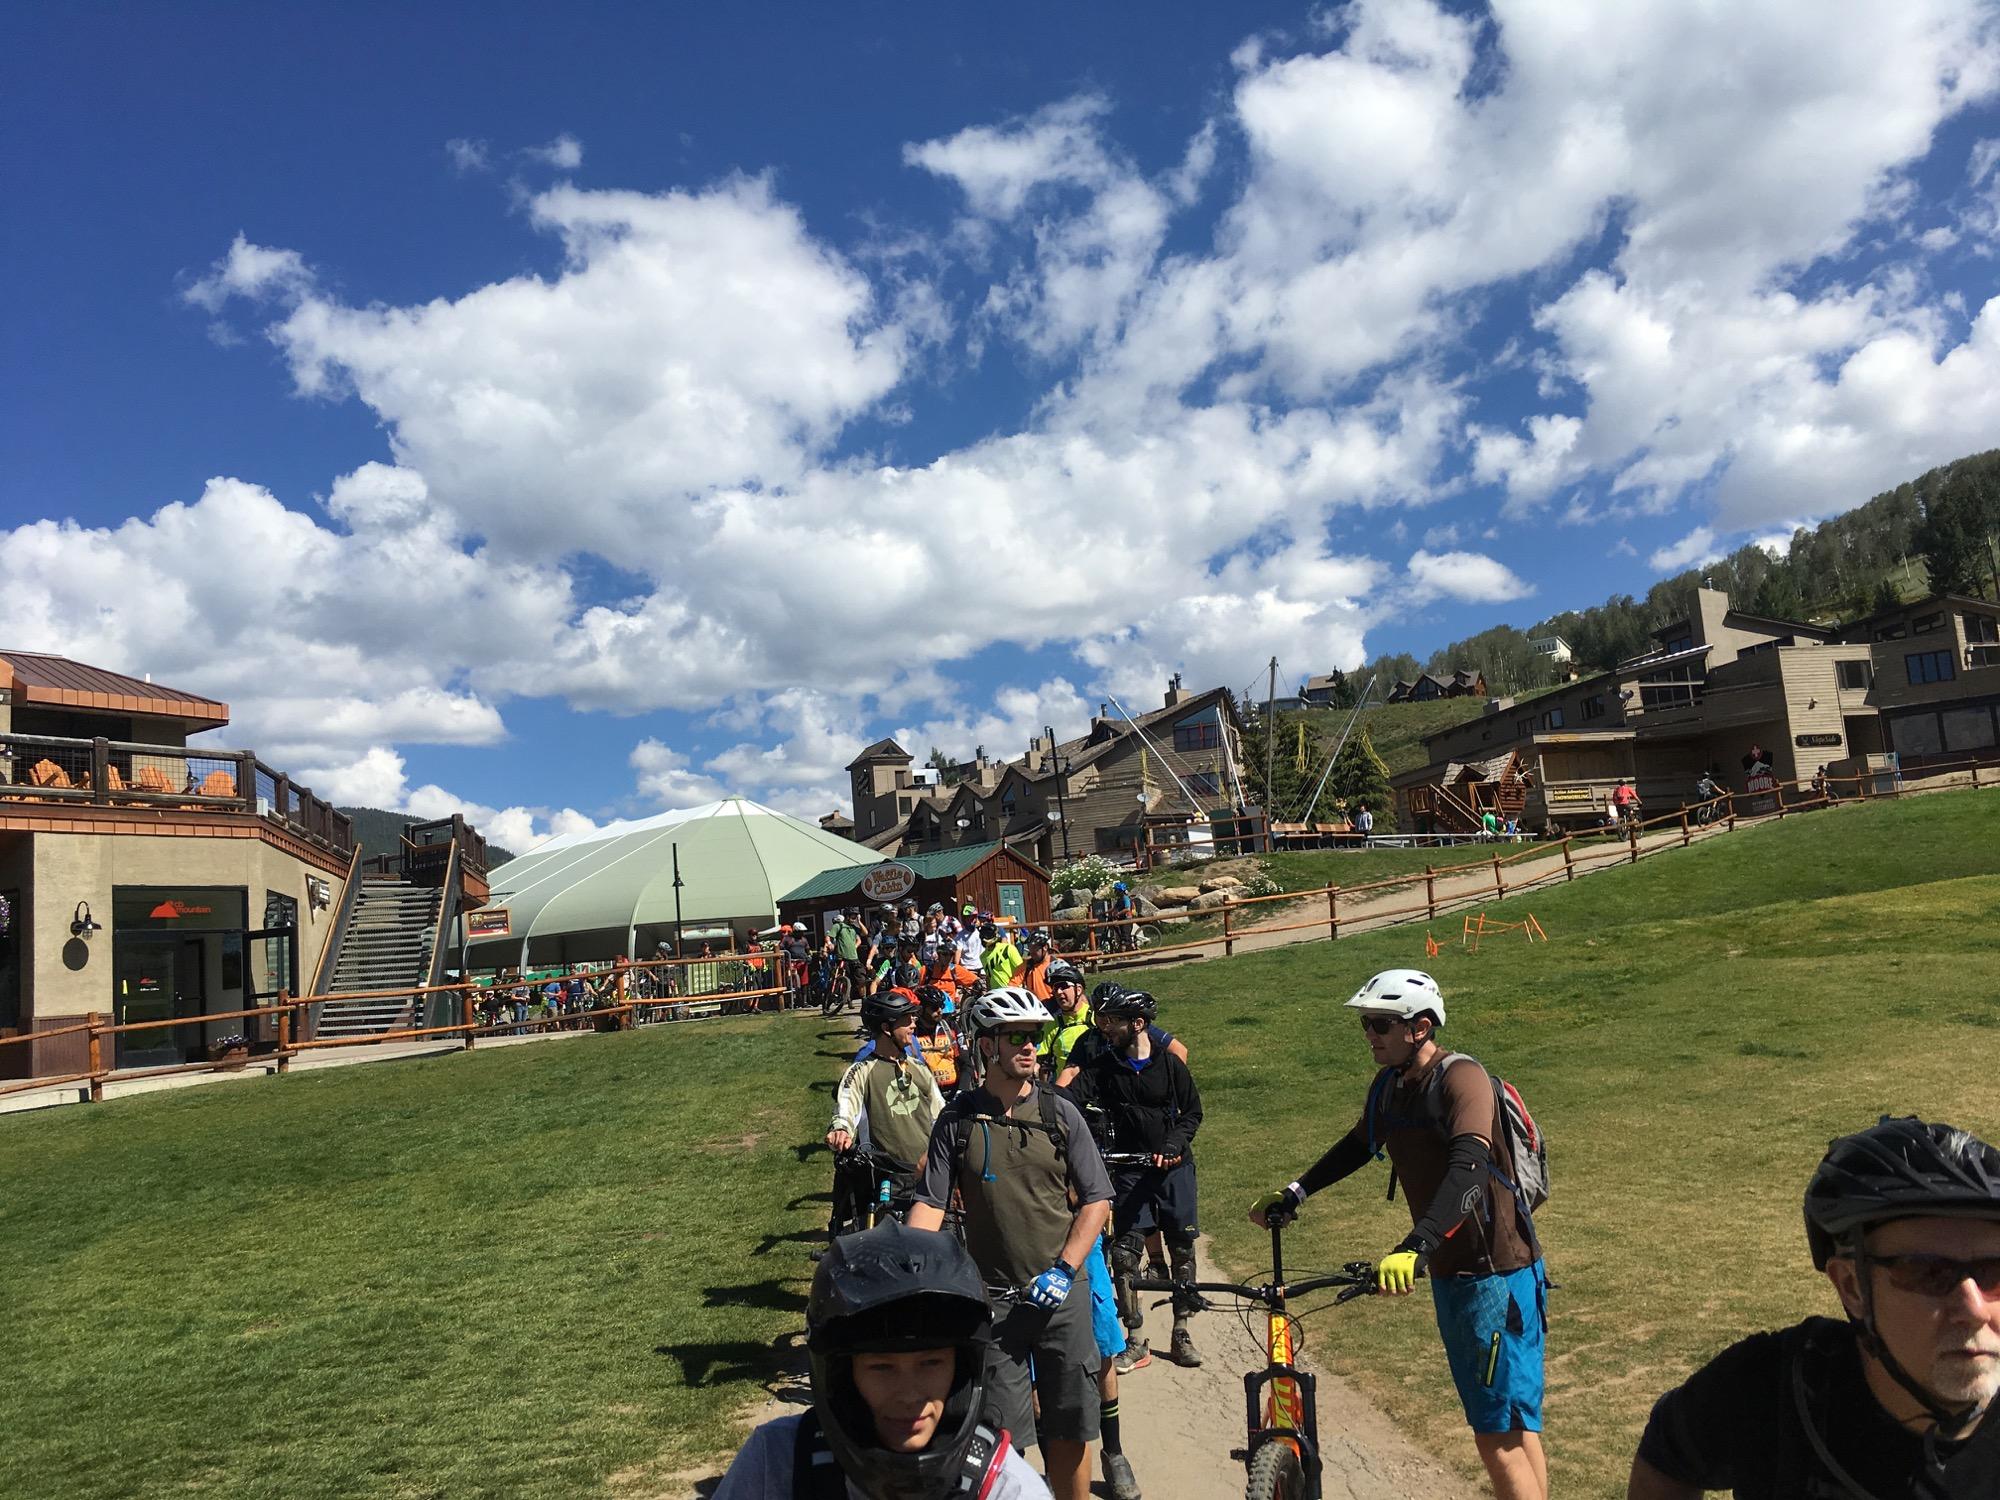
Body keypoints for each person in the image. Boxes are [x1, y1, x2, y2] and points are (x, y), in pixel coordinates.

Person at [1247, 969, 1548, 1500]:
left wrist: (1415, 1246)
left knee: (1497, 1433)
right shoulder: (1392, 1086)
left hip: (1496, 1276)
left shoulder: (1462, 1079)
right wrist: (1297, 1191)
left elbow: (1469, 1172)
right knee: (1509, 1423)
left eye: (1382, 1024)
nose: (1370, 1035)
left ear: (1421, 1027)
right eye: (1366, 1024)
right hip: (1456, 1274)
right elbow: (1360, 1143)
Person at [1627, 1116, 2000, 1500]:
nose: (1973, 1309)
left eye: (1994, 1271)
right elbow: (1669, 1455)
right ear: (1853, 1286)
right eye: (1929, 1272)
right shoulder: (1775, 1389)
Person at [907, 988, 1113, 1500]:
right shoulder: (957, 1121)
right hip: (995, 1302)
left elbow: (1097, 1200)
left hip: (1062, 1294)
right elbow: (930, 1204)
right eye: (1017, 1037)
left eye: (1035, 1037)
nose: (1031, 1048)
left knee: (1068, 1428)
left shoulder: (1060, 1114)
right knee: (1000, 1442)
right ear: (986, 1046)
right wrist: (907, 1272)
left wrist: (1064, 1271)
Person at [713, 1222, 1053, 1500]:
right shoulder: (780, 1462)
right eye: (882, 1367)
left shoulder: (1007, 1487)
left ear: (962, 1370)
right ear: (842, 1375)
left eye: (931, 1363)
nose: (909, 1395)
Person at [1069, 987, 1205, 1370]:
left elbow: (1192, 1114)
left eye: (1114, 1021)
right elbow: (1069, 1098)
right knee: (1125, 1255)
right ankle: (1135, 1338)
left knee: (1182, 1251)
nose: (1106, 1028)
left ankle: (1181, 1332)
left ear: (1139, 1024)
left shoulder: (1170, 1065)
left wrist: (1174, 1143)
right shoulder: (1105, 1067)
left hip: (1174, 1170)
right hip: (1129, 1172)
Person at [829, 992, 946, 1236]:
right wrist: (841, 1129)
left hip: (925, 1175)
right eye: (906, 1019)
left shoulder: (918, 1068)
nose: (914, 1023)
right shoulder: (862, 1070)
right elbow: (846, 1105)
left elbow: (941, 1114)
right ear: (886, 1028)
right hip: (885, 1178)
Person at [912, 985, 964, 1098]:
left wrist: (961, 1091)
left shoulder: (950, 1026)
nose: (940, 1010)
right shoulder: (912, 1031)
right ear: (921, 1009)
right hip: (926, 1096)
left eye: (941, 1006)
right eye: (934, 1007)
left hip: (954, 1092)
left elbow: (966, 1063)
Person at [980, 922, 1024, 992]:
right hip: (996, 993)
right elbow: (989, 978)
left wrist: (1013, 985)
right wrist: (989, 993)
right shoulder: (982, 956)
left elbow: (1022, 970)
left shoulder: (1008, 949)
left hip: (1014, 990)